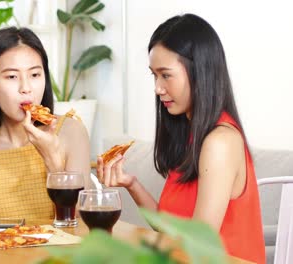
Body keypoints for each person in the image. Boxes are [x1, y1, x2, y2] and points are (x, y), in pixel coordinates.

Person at [97, 14, 265, 264]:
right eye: (154, 75)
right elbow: (170, 231)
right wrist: (131, 184)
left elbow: (197, 244)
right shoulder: (193, 137)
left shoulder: (220, 142)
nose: (157, 88)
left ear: (200, 72)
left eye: (166, 75)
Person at [0, 27, 91, 224]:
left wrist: (53, 161)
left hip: (59, 253)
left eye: (35, 75)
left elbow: (83, 225)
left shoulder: (71, 131)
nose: (26, 88)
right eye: (11, 77)